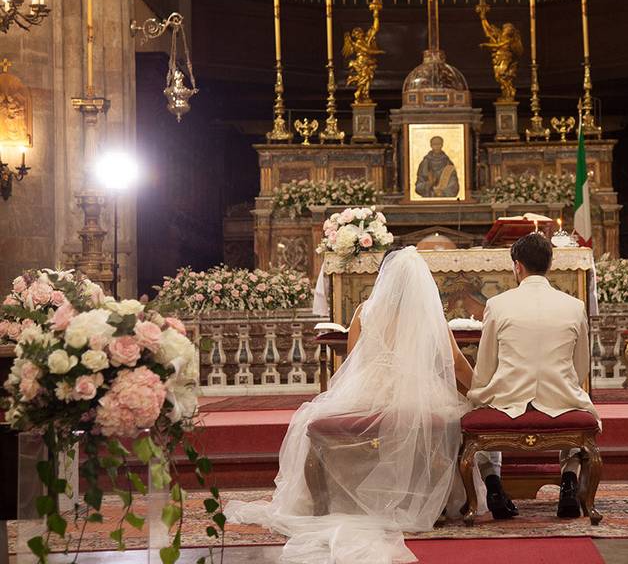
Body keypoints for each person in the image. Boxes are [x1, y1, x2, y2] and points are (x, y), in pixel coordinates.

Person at [226, 246, 475, 563]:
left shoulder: (365, 311)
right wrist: (478, 390)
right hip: (415, 392)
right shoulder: (428, 315)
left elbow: (355, 362)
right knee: (455, 416)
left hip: (368, 390)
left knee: (312, 421)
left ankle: (333, 500)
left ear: (384, 277)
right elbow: (454, 362)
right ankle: (430, 500)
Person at [468, 232, 599, 520]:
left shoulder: (498, 304)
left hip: (510, 396)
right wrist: (564, 385)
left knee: (474, 408)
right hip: (560, 393)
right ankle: (569, 480)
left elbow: (487, 365)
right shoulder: (574, 306)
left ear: (518, 266)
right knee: (574, 401)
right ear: (549, 265)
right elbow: (580, 368)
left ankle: (492, 484)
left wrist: (478, 393)